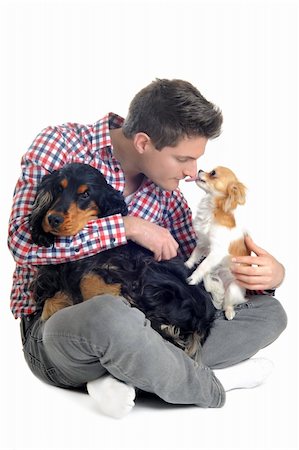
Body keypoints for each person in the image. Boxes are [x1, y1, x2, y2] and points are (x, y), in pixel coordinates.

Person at [8, 79, 287, 419]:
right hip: (61, 325)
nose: (191, 172)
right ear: (143, 142)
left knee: (270, 313)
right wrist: (127, 227)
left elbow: (194, 270)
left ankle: (121, 374)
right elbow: (22, 243)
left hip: (149, 324)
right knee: (109, 314)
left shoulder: (167, 195)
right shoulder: (61, 144)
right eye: (183, 158)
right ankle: (214, 383)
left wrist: (263, 277)